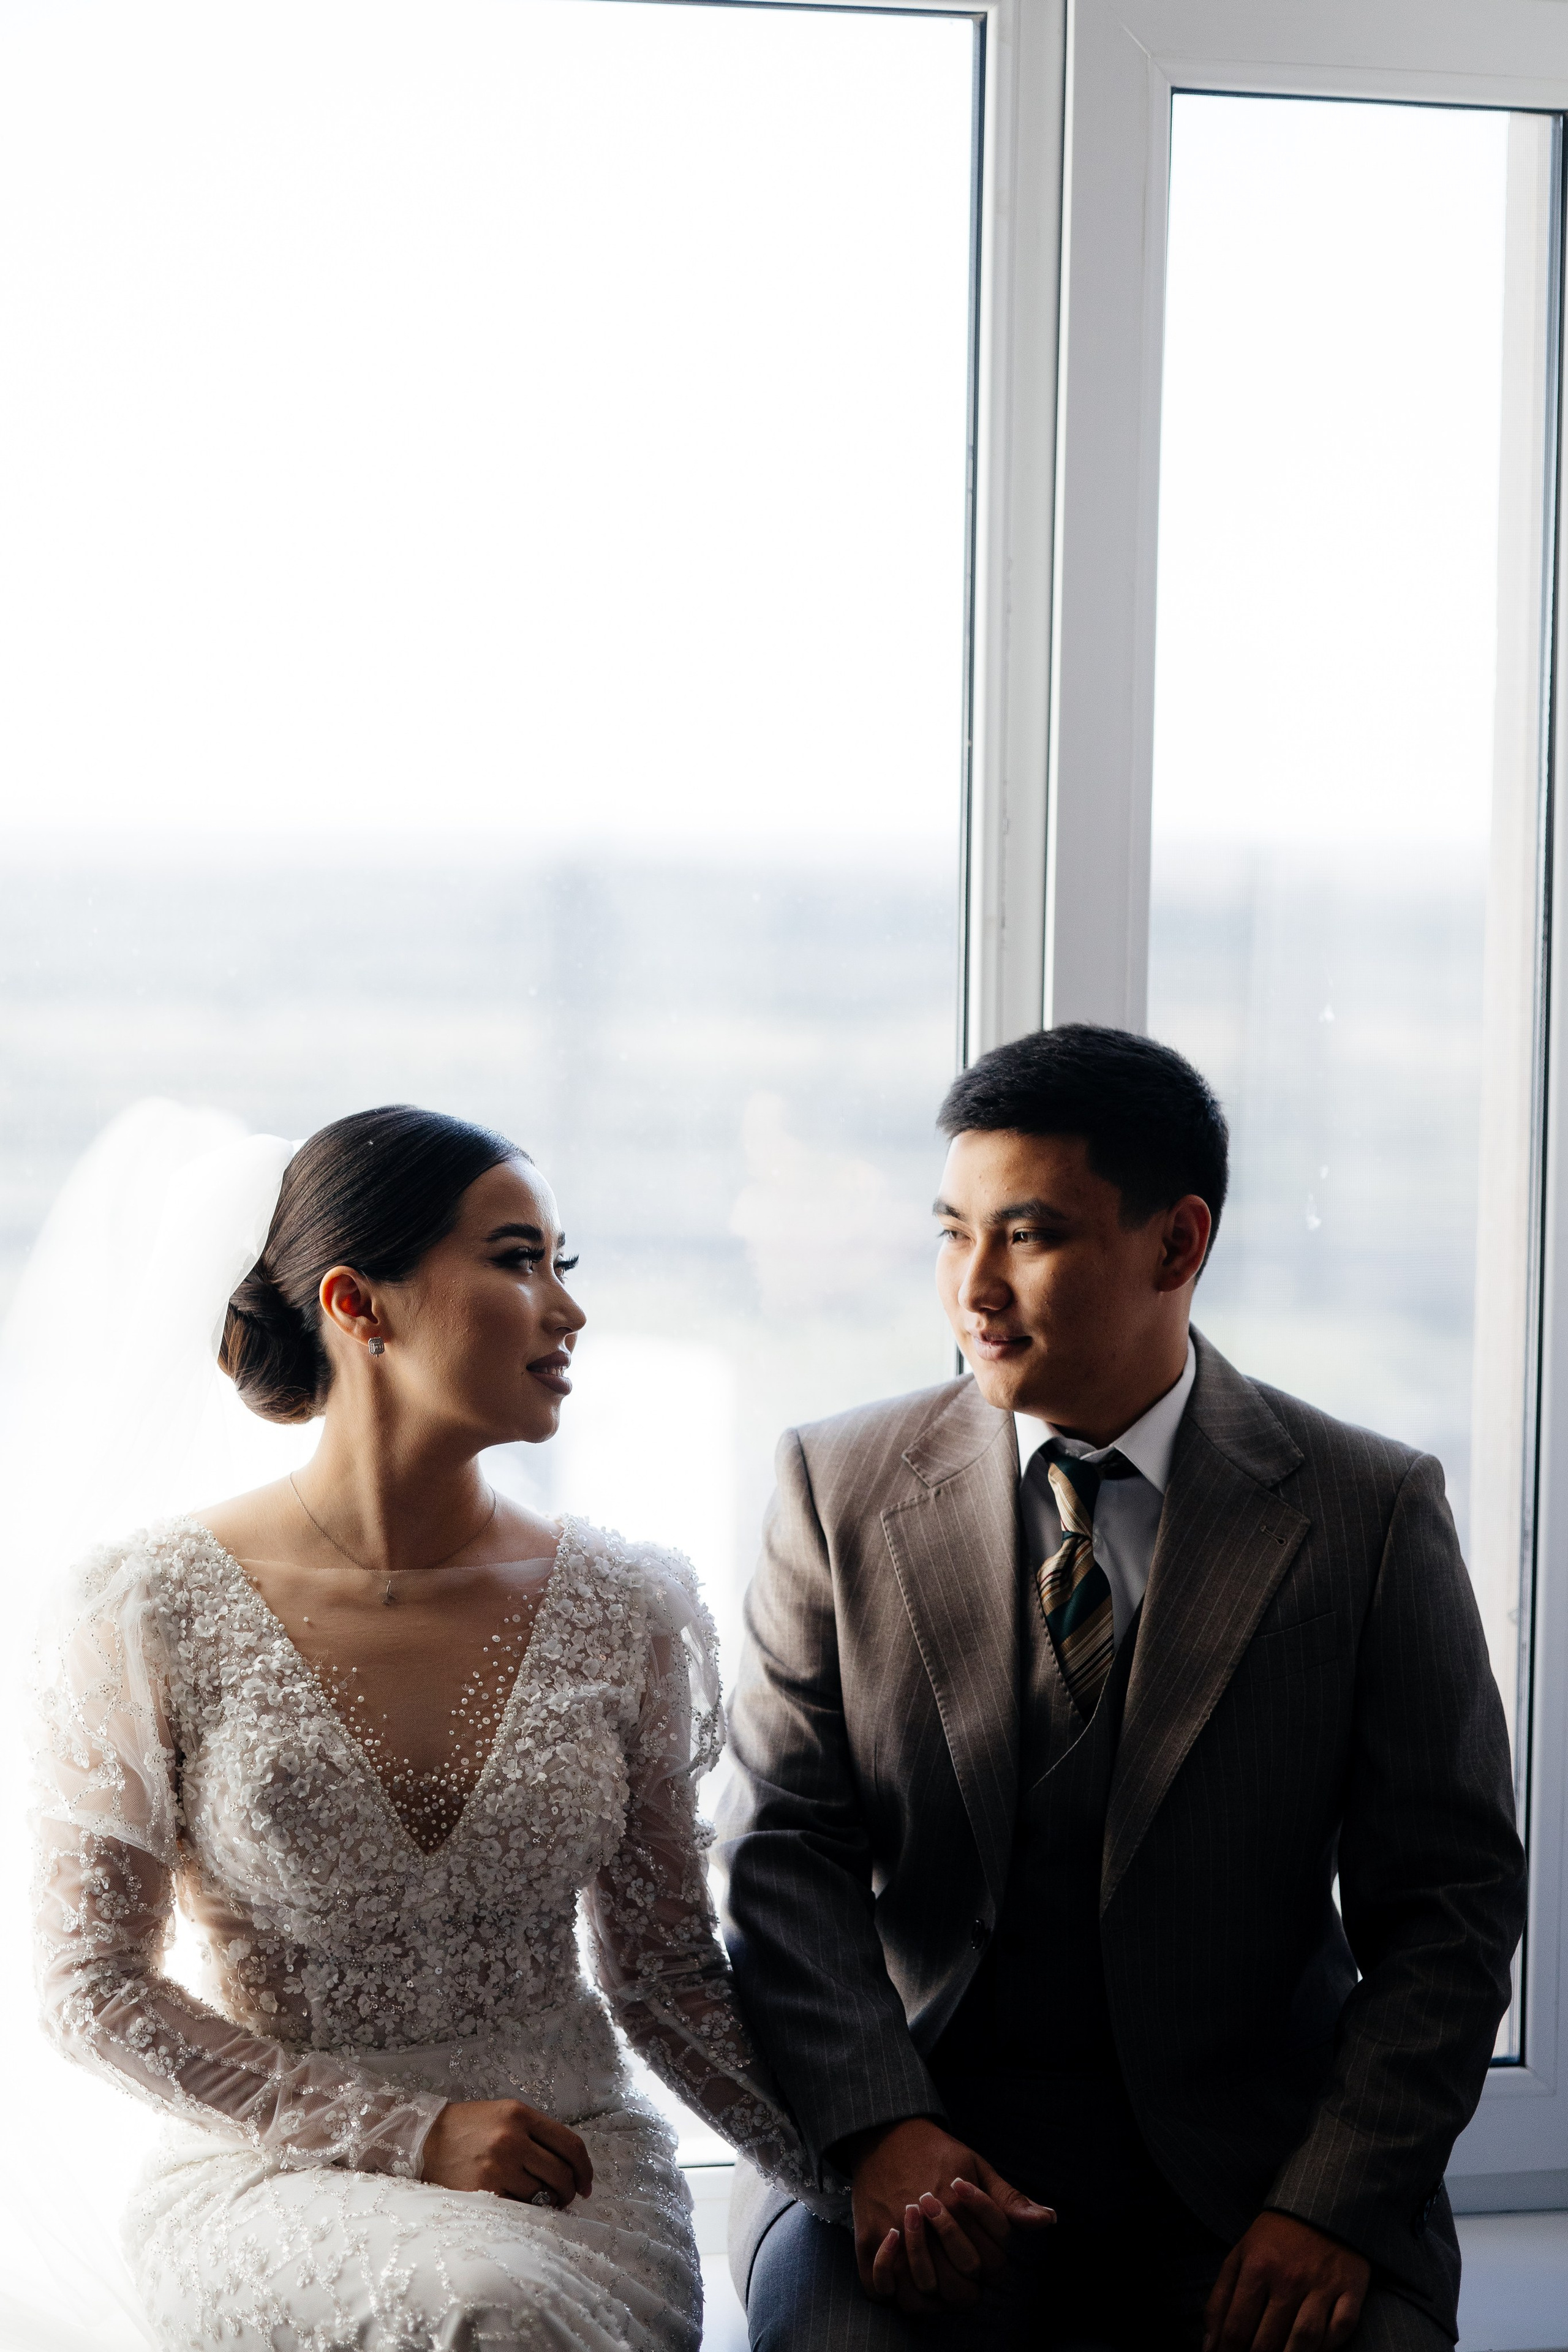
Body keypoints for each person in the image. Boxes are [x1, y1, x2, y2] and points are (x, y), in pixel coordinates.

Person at [716, 1023, 1528, 2352]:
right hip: (925, 2155)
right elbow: (778, 1849)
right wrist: (879, 2130)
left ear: (1175, 1244)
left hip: (1250, 2177)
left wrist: (1331, 2204)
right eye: (949, 1231)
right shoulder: (835, 1483)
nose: (970, 1289)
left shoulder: (1364, 1509)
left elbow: (1449, 1905)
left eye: (1026, 1237)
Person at [31, 1103, 821, 2352]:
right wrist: (409, 2133)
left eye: (565, 1266)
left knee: (512, 2308)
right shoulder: (147, 1606)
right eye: (516, 1260)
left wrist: (853, 2171)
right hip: (273, 2168)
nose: (565, 1311)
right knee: (480, 2317)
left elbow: (667, 1974)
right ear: (357, 1304)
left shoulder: (629, 1607)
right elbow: (92, 1994)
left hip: (574, 2168)